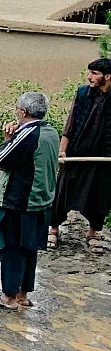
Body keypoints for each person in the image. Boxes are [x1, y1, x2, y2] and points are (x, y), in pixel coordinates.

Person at [0, 92, 60, 310]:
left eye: (17, 109)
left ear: (23, 112)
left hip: (18, 201)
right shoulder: (51, 132)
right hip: (41, 200)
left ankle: (8, 296)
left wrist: (7, 140)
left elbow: (1, 160)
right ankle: (22, 296)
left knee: (11, 247)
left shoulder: (28, 135)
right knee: (29, 248)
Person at [51, 58, 111, 248]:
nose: (89, 77)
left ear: (107, 77)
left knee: (99, 195)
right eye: (89, 72)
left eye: (94, 73)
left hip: (103, 157)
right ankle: (53, 228)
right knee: (62, 192)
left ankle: (93, 232)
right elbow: (70, 124)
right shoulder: (83, 93)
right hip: (76, 153)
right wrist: (62, 151)